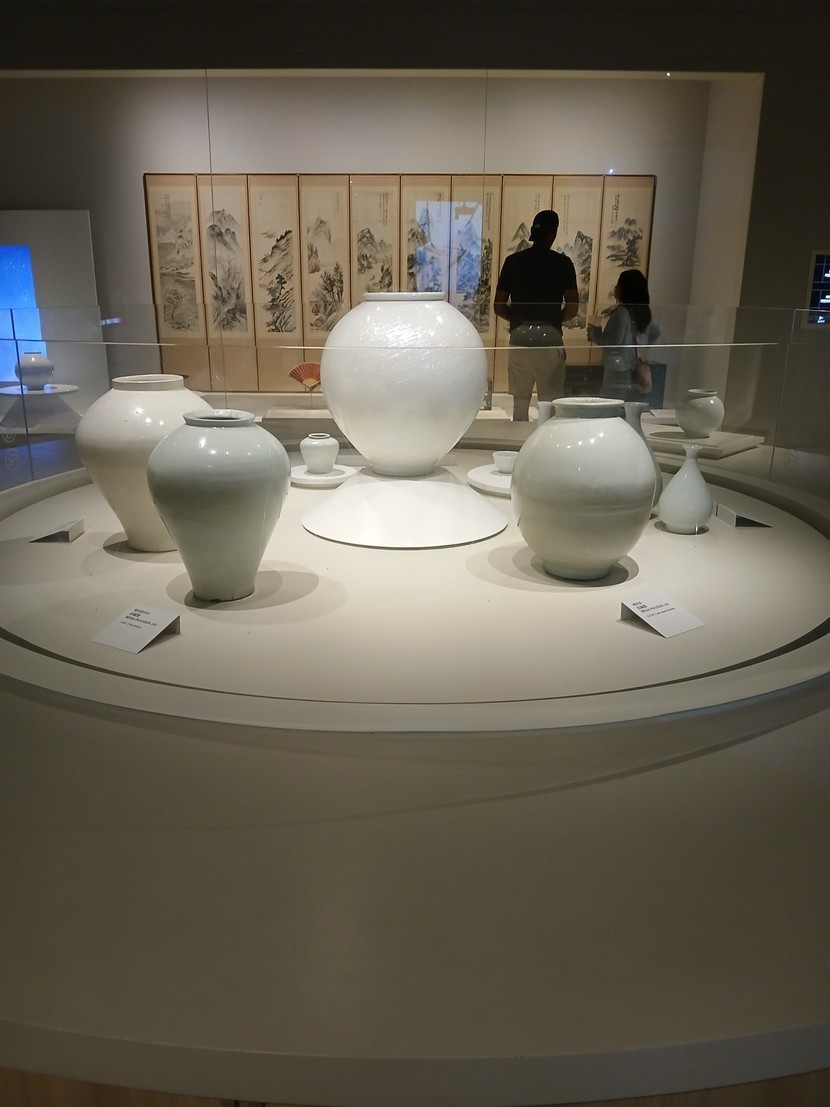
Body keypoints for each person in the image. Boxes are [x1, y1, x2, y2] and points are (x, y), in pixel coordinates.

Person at [494, 209, 579, 421]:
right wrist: (553, 320)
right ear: (554, 233)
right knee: (549, 403)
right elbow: (572, 308)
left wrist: (518, 319)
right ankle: (545, 438)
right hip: (549, 337)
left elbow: (499, 306)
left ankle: (519, 436)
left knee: (520, 401)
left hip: (519, 336)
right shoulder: (563, 264)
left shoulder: (513, 261)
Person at [587, 269, 661, 402]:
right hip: (634, 364)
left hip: (618, 367)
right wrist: (641, 346)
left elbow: (613, 341)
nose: (615, 288)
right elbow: (657, 331)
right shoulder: (643, 312)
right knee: (628, 401)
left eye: (618, 284)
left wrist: (595, 334)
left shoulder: (622, 313)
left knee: (612, 401)